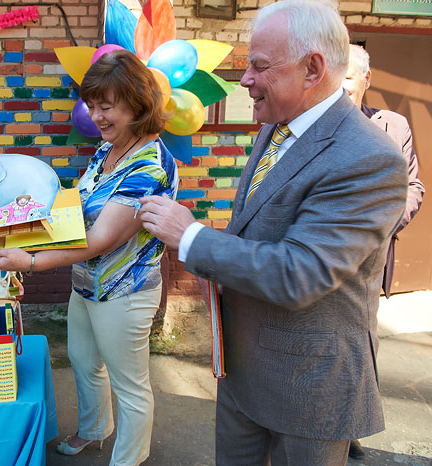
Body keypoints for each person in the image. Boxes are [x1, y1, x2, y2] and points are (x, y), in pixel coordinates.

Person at [138, 1, 408, 464]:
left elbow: (300, 273)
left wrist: (191, 237)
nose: (245, 79)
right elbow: (257, 228)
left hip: (308, 386)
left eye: (260, 66)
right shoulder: (277, 126)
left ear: (312, 69)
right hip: (243, 369)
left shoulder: (368, 157)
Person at [0, 49, 178, 466]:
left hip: (124, 292)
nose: (95, 116)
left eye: (105, 106)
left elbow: (101, 239)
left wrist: (30, 261)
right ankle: (94, 429)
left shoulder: (151, 166)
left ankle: (127, 460)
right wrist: (20, 222)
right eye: (91, 105)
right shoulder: (107, 150)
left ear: (136, 104)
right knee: (85, 363)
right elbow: (77, 208)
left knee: (130, 385)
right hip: (86, 284)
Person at [342, 43, 425, 460]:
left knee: (363, 343)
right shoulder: (311, 127)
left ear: (366, 80)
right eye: (335, 77)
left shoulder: (393, 126)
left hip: (370, 259)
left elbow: (413, 187)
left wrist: (379, 229)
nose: (341, 86)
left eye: (349, 77)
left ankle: (351, 426)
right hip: (323, 256)